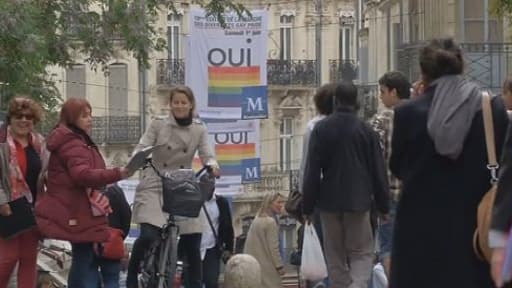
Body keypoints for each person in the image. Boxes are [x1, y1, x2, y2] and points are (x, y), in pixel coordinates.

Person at [389, 38, 509, 288]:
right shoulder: (492, 110)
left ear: (423, 73)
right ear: (461, 66)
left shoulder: (406, 114)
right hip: (475, 239)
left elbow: (397, 167)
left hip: (419, 239)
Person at [127, 85, 219, 288]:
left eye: (183, 102)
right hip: (155, 181)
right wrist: (137, 158)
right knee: (148, 234)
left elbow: (207, 154)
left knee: (194, 237)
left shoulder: (199, 128)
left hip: (182, 182)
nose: (179, 106)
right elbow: (143, 145)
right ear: (170, 104)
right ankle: (133, 273)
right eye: (175, 102)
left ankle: (194, 284)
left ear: (190, 104)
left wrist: (213, 166)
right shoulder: (159, 124)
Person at [302, 80, 390, 288]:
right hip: (359, 203)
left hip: (329, 203)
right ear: (356, 101)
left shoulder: (321, 129)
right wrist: (383, 205)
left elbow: (312, 171)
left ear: (335, 101)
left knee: (335, 255)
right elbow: (378, 172)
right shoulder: (366, 131)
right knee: (361, 254)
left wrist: (308, 206)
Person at [36, 97, 131, 288]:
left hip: (76, 208)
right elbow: (82, 174)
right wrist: (118, 173)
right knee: (84, 258)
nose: (90, 119)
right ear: (72, 118)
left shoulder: (73, 139)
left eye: (90, 115)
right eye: (84, 116)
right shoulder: (72, 142)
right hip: (77, 209)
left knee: (84, 257)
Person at [0, 97, 48, 288]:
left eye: (28, 116)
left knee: (29, 260)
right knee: (7, 260)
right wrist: (2, 202)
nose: (23, 120)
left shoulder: (40, 143)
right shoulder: (1, 141)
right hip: (7, 209)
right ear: (10, 118)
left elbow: (45, 173)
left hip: (32, 210)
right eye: (18, 116)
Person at [369, 71, 411, 277]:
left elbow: (373, 156)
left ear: (394, 92)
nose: (380, 96)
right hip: (416, 195)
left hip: (390, 195)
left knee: (388, 247)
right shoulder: (422, 113)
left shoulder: (382, 118)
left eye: (383, 91)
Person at [243, 192, 286, 288]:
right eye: (278, 202)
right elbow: (274, 248)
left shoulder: (257, 219)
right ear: (270, 203)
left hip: (254, 267)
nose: (281, 205)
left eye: (282, 202)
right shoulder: (270, 222)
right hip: (268, 268)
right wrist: (279, 266)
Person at [200, 175, 235, 288]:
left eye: (212, 184)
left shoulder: (221, 203)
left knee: (211, 283)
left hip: (212, 249)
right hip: (194, 249)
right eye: (207, 184)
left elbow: (228, 227)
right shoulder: (194, 203)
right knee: (193, 282)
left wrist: (229, 249)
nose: (210, 187)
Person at [97, 183, 132, 288]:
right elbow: (126, 216)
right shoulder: (117, 191)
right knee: (111, 278)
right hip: (112, 240)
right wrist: (120, 236)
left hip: (90, 239)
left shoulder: (88, 187)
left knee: (88, 274)